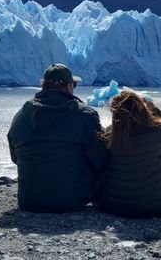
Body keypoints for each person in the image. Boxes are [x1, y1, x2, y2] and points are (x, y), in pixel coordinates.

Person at [7, 63, 108, 213]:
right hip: (72, 200)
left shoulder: (22, 115)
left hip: (29, 200)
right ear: (69, 86)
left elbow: (15, 157)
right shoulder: (85, 116)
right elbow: (99, 159)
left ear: (43, 86)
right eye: (74, 84)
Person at [99, 91, 161, 218]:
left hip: (116, 205)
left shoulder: (110, 136)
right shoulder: (158, 130)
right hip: (157, 205)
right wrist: (154, 111)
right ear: (142, 109)